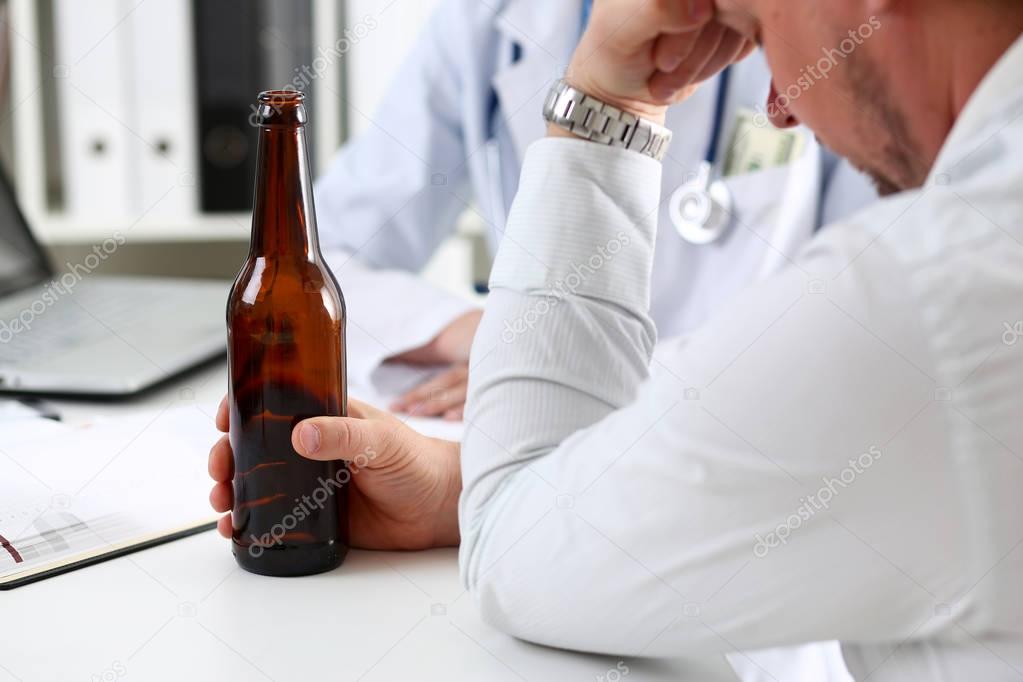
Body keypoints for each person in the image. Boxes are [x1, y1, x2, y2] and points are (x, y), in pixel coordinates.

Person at [210, 0, 1023, 678]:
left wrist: (604, 109)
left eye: (763, 29)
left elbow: (517, 561)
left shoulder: (935, 296)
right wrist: (485, 476)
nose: (776, 103)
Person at [314, 0, 875, 423]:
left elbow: (873, 303)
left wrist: (570, 362)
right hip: (547, 438)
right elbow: (310, 264)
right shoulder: (482, 18)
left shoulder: (819, 20)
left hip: (744, 429)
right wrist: (484, 334)